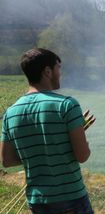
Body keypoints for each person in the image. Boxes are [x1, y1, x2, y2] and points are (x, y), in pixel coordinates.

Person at [1, 48, 93, 213]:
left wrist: (40, 154)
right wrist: (81, 137)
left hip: (37, 200)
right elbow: (82, 155)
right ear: (48, 71)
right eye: (59, 68)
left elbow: (7, 160)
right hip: (69, 197)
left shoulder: (10, 112)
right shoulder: (67, 105)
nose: (61, 73)